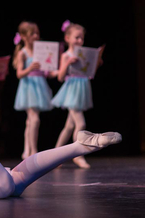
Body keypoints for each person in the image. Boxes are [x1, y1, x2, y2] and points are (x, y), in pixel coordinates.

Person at [51, 20, 102, 168]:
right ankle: (78, 155)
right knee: (81, 123)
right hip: (71, 91)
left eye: (81, 38)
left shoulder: (84, 55)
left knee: (69, 127)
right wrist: (67, 63)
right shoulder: (66, 55)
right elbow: (60, 77)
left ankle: (55, 157)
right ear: (67, 38)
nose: (80, 40)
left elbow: (89, 73)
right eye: (76, 37)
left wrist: (95, 63)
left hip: (82, 89)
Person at [12, 21, 55, 159]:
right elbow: (19, 74)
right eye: (32, 33)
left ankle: (27, 150)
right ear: (23, 36)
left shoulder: (41, 51)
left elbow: (47, 70)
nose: (36, 36)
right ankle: (33, 151)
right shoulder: (23, 53)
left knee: (30, 120)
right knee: (34, 119)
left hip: (39, 85)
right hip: (29, 87)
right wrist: (30, 68)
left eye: (37, 33)